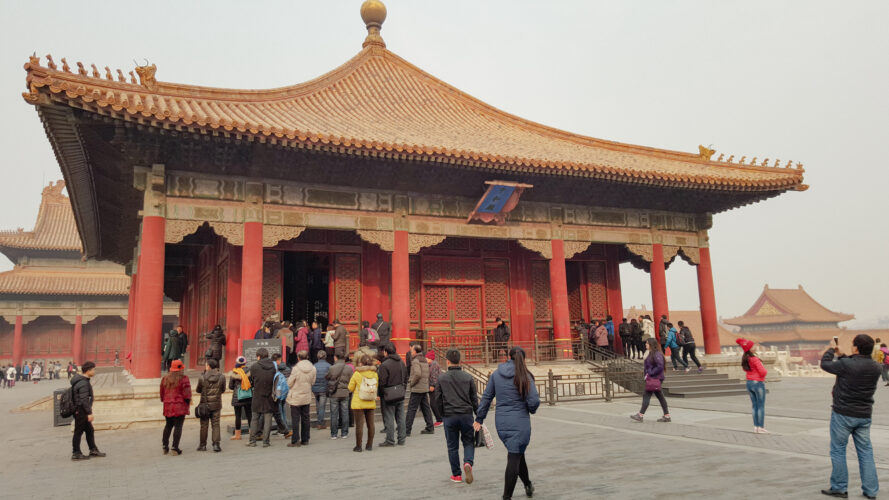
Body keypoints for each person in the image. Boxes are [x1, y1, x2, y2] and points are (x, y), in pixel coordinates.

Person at [820, 334, 881, 499]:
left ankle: (839, 488)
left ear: (855, 347)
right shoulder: (876, 367)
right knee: (866, 452)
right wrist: (843, 355)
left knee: (838, 450)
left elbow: (825, 364)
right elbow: (854, 365)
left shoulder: (846, 365)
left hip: (843, 414)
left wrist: (832, 349)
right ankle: (871, 491)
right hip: (864, 415)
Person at [474, 347, 540, 500]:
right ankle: (506, 496)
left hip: (502, 422)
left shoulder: (496, 375)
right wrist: (531, 409)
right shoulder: (525, 376)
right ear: (523, 360)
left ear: (508, 357)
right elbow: (534, 400)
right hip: (520, 421)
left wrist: (479, 419)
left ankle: (528, 484)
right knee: (514, 456)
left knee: (517, 453)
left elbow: (486, 397)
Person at [433, 348, 479, 484]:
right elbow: (474, 398)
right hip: (466, 414)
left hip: (450, 415)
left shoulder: (442, 378)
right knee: (469, 442)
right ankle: (468, 463)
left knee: (452, 446)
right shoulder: (468, 377)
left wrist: (442, 414)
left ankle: (456, 475)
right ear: (460, 361)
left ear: (447, 362)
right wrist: (478, 415)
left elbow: (437, 399)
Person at [70, 361, 105, 460]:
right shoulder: (83, 383)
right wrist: (89, 413)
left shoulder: (82, 380)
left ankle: (93, 449)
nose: (94, 371)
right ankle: (76, 453)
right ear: (88, 370)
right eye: (93, 369)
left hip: (80, 410)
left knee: (89, 430)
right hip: (81, 411)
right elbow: (84, 399)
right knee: (78, 432)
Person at [630, 338, 671, 423]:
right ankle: (667, 416)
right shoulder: (651, 353)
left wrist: (650, 372)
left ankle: (640, 415)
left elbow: (660, 366)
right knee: (660, 397)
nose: (645, 345)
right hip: (653, 378)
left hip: (654, 378)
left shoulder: (656, 354)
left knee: (647, 395)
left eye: (647, 343)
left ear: (651, 344)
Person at [347, 352, 379, 452]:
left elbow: (350, 388)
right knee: (371, 425)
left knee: (359, 425)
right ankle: (369, 445)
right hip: (370, 401)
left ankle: (358, 446)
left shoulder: (357, 374)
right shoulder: (375, 374)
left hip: (359, 402)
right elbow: (376, 386)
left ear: (361, 363)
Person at [159, 359, 191, 455]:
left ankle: (165, 446)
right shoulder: (184, 379)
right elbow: (187, 395)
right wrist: (187, 403)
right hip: (179, 406)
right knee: (178, 427)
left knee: (168, 425)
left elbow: (162, 393)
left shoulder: (165, 379)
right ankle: (174, 447)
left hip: (168, 405)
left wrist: (164, 400)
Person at [377, 343, 406, 447]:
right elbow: (405, 378)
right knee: (401, 416)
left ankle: (390, 440)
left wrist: (381, 394)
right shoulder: (402, 362)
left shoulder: (384, 365)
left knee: (389, 417)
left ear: (386, 352)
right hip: (400, 392)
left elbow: (382, 382)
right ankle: (402, 438)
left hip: (389, 393)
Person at [737, 338, 768, 434]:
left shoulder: (746, 359)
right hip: (758, 383)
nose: (755, 347)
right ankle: (761, 427)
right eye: (753, 346)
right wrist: (763, 374)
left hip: (749, 383)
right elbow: (763, 372)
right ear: (750, 349)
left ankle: (755, 427)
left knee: (754, 406)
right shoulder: (755, 359)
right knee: (761, 406)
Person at [247, 348, 277, 448]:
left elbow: (251, 380)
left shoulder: (254, 367)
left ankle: (252, 441)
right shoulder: (273, 366)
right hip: (269, 395)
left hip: (257, 395)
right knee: (268, 418)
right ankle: (266, 442)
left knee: (255, 418)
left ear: (258, 356)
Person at [286, 350, 316, 447]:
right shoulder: (313, 368)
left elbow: (289, 383)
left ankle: (295, 440)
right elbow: (313, 381)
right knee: (305, 418)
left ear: (298, 358)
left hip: (296, 396)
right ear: (307, 357)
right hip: (306, 394)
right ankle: (305, 439)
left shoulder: (296, 369)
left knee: (295, 419)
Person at [196, 358, 226, 452]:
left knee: (204, 425)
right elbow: (223, 389)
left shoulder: (202, 377)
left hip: (205, 404)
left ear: (208, 366)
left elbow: (198, 390)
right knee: (216, 424)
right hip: (216, 404)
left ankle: (202, 445)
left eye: (206, 365)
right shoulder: (221, 377)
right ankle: (216, 445)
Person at [406, 344, 434, 436]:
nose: (411, 352)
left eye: (412, 351)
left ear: (414, 351)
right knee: (426, 408)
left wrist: (411, 383)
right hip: (424, 387)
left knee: (412, 409)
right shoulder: (425, 360)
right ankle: (430, 427)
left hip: (417, 388)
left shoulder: (415, 361)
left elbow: (417, 374)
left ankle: (407, 429)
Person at [326, 352, 353, 440]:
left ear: (335, 357)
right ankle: (344, 433)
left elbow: (327, 377)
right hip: (345, 392)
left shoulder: (332, 368)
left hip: (334, 393)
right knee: (345, 413)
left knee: (334, 414)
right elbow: (351, 380)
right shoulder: (349, 368)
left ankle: (334, 434)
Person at [229, 356, 252, 440]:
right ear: (245, 363)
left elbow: (230, 386)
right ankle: (252, 433)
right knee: (249, 415)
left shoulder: (234, 372)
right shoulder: (249, 371)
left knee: (238, 416)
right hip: (248, 395)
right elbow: (252, 383)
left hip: (237, 396)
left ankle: (238, 435)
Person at [270, 353, 293, 438]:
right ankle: (284, 428)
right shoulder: (287, 368)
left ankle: (283, 430)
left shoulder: (274, 369)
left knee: (279, 412)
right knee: (283, 411)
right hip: (285, 392)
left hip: (278, 393)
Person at [311, 350, 332, 429]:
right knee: (322, 406)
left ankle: (319, 420)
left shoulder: (314, 366)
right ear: (325, 356)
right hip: (324, 388)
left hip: (315, 388)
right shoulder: (329, 366)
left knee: (317, 404)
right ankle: (320, 423)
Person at [427, 350, 444, 428]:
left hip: (435, 387)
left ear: (430, 358)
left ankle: (439, 419)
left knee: (433, 404)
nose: (425, 359)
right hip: (435, 386)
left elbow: (434, 376)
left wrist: (432, 385)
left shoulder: (433, 364)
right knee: (434, 403)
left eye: (426, 358)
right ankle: (440, 419)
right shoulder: (431, 364)